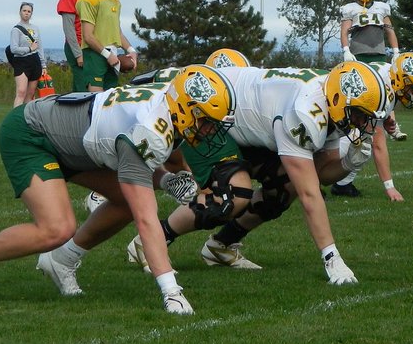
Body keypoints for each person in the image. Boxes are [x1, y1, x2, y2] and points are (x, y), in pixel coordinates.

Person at [0, 65, 236, 314]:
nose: (209, 130)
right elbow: (146, 218)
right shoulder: (151, 129)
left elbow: (170, 155)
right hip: (32, 134)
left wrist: (178, 179)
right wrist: (171, 290)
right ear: (186, 109)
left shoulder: (168, 105)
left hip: (78, 143)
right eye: (207, 122)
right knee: (57, 227)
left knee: (122, 201)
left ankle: (62, 260)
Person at [128, 61, 391, 285]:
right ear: (337, 99)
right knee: (235, 194)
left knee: (283, 188)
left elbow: (320, 173)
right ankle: (151, 240)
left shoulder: (329, 104)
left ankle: (221, 247)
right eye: (358, 114)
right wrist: (331, 256)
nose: (361, 123)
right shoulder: (306, 111)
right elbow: (310, 194)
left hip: (244, 127)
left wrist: (349, 163)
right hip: (209, 118)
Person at [330, 51, 413, 203]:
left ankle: (342, 184)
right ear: (401, 79)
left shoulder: (388, 70)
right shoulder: (384, 87)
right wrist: (389, 186)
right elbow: (378, 145)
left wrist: (386, 119)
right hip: (333, 110)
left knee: (362, 139)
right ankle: (329, 182)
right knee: (362, 144)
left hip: (339, 105)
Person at [336, 0, 406, 180]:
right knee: (362, 91)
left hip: (379, 54)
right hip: (359, 54)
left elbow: (389, 29)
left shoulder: (382, 8)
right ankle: (356, 122)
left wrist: (396, 50)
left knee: (387, 87)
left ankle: (392, 122)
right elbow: (344, 31)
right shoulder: (350, 9)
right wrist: (346, 50)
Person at [77, 0, 138, 92]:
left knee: (111, 96)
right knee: (96, 98)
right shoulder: (88, 0)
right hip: (95, 53)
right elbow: (88, 36)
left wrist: (131, 50)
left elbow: (117, 32)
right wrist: (107, 54)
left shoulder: (114, 1)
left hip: (112, 52)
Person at [57, 0, 96, 92]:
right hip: (77, 46)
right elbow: (69, 29)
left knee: (83, 87)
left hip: (89, 46)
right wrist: (78, 54)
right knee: (83, 88)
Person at [7, 2, 47, 107]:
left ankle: (27, 119)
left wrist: (43, 65)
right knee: (21, 92)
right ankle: (15, 119)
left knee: (30, 94)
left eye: (29, 11)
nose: (26, 13)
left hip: (35, 61)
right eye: (24, 11)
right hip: (21, 61)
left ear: (31, 14)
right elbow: (14, 49)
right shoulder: (16, 29)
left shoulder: (36, 28)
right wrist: (29, 49)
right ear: (20, 12)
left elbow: (40, 47)